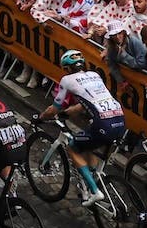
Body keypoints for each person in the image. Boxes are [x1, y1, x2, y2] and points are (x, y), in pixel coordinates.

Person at [42, 50, 127, 204]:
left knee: (73, 146)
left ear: (67, 68)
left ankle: (95, 191)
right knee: (87, 143)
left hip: (103, 125)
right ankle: (92, 178)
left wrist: (41, 118)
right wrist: (67, 114)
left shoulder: (67, 79)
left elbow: (54, 109)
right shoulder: (95, 75)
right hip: (120, 121)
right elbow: (85, 104)